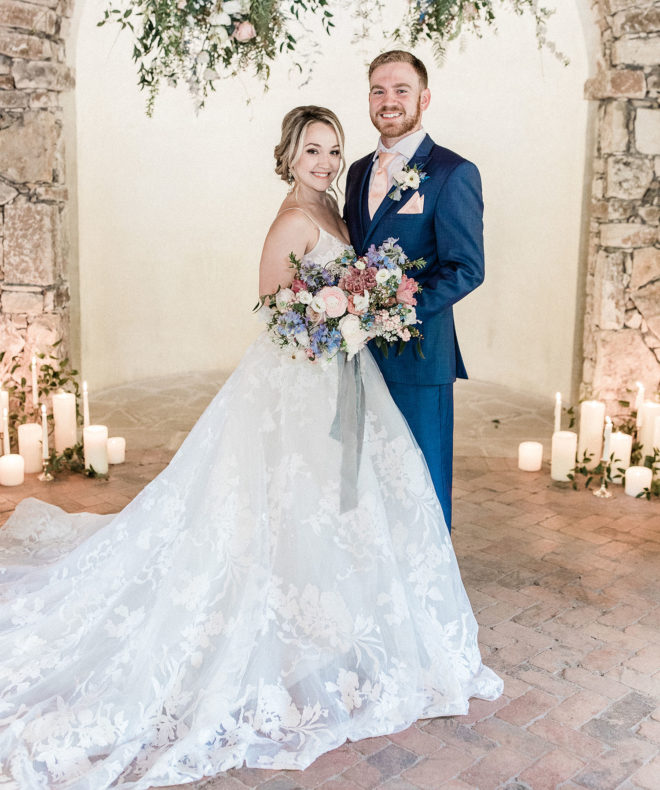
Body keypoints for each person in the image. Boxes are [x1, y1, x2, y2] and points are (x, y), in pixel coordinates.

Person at [0, 105, 501, 789]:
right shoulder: (294, 219)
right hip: (297, 383)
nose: (325, 162)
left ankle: (334, 617)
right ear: (288, 156)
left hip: (343, 373)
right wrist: (329, 325)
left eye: (332, 150)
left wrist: (357, 310)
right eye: (312, 151)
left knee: (338, 500)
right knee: (286, 498)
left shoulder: (337, 209)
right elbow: (271, 310)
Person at [345, 51, 485, 531]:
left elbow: (466, 268)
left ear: (424, 98)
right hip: (359, 354)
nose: (389, 101)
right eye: (379, 90)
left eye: (401, 90)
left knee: (421, 480)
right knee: (370, 473)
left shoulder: (452, 172)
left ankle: (428, 592)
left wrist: (398, 313)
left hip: (421, 355)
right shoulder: (358, 170)